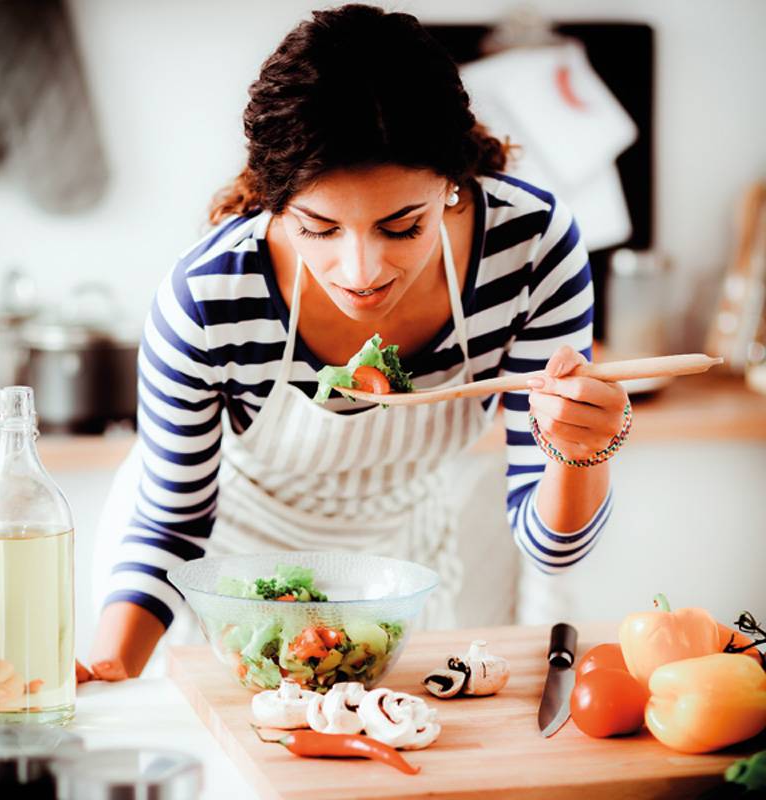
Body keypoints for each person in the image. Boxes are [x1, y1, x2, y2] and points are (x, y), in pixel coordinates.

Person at [81, 4, 628, 682]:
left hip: (393, 573)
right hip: (224, 576)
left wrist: (579, 450)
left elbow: (553, 550)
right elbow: (170, 529)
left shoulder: (532, 250)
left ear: (454, 186)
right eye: (318, 229)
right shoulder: (208, 299)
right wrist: (108, 667)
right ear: (273, 199)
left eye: (403, 227)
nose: (362, 274)